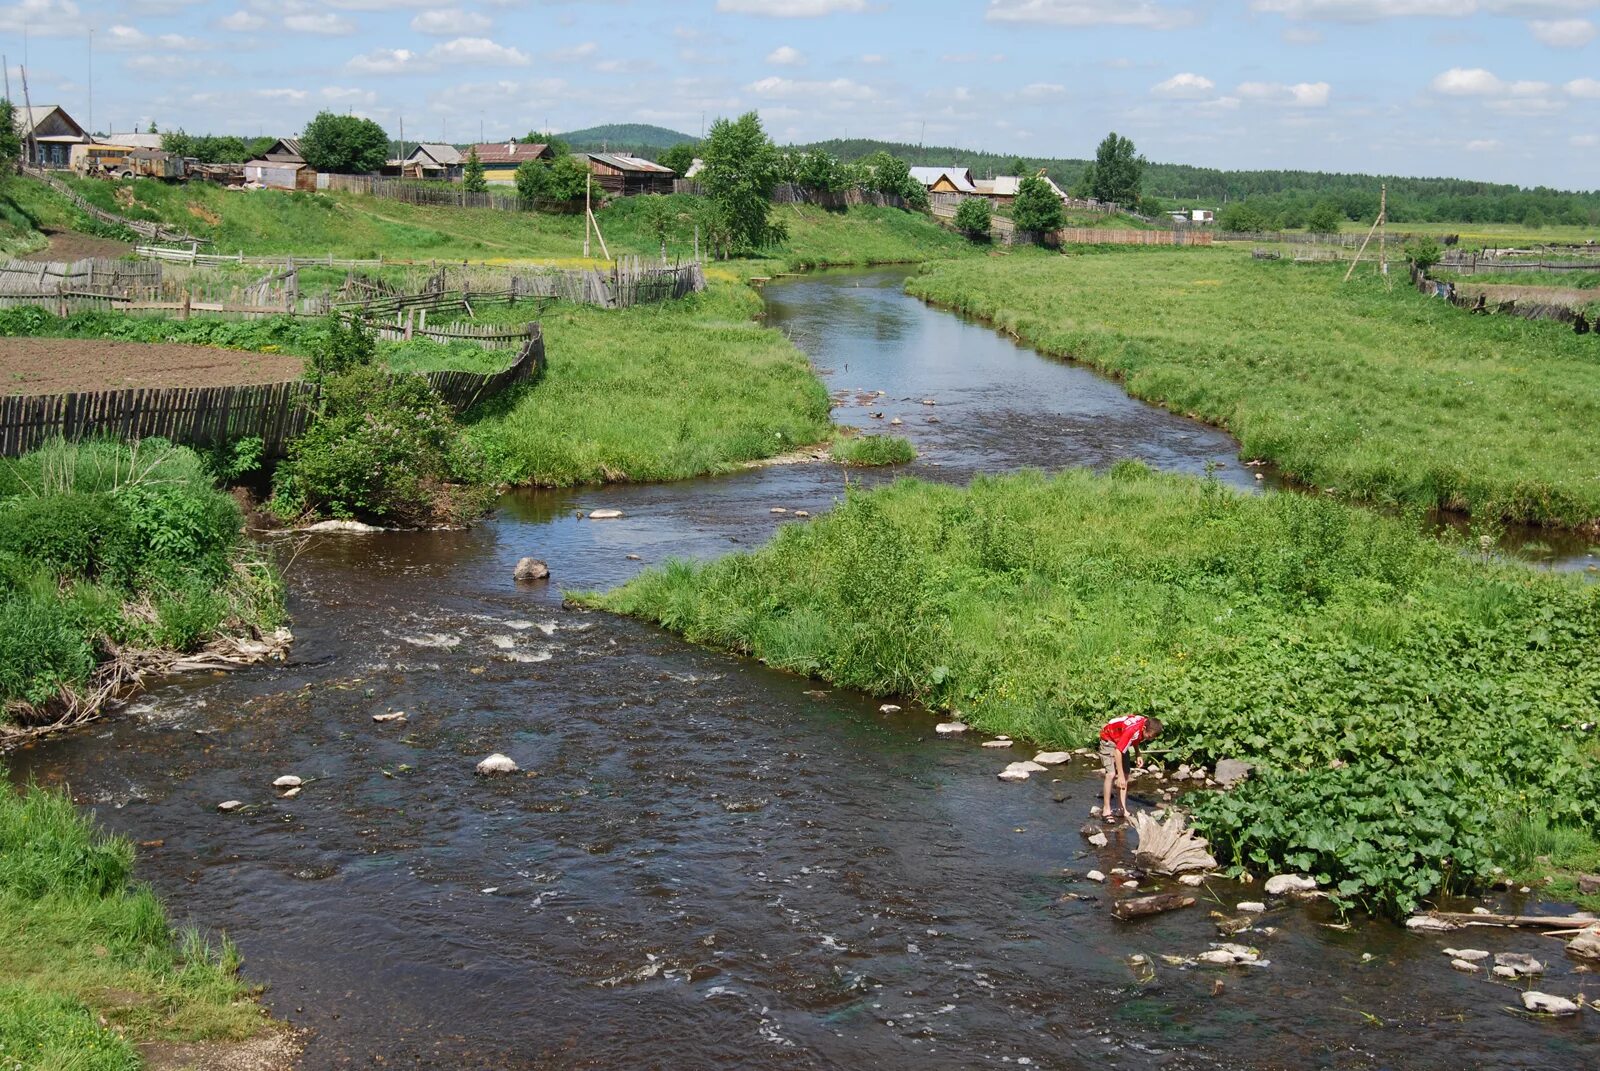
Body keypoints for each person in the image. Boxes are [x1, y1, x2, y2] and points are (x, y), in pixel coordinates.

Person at [1098, 714, 1161, 823]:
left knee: (1127, 773)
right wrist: (1120, 776)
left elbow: (1136, 738)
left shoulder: (1144, 725)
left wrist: (1138, 753)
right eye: (1150, 736)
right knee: (1111, 774)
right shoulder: (1133, 730)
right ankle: (1106, 810)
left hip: (1121, 740)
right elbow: (1118, 752)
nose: (1150, 739)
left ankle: (1121, 809)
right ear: (1144, 728)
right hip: (1109, 739)